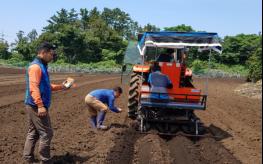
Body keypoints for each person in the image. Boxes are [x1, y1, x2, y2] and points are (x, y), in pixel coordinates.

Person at [23, 41, 74, 164]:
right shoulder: (35, 67)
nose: (52, 57)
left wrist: (62, 86)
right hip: (36, 105)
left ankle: (27, 158)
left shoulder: (42, 66)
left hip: (34, 104)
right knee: (47, 133)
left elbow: (46, 86)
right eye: (51, 54)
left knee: (33, 132)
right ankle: (45, 160)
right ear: (43, 52)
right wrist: (40, 105)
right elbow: (33, 87)